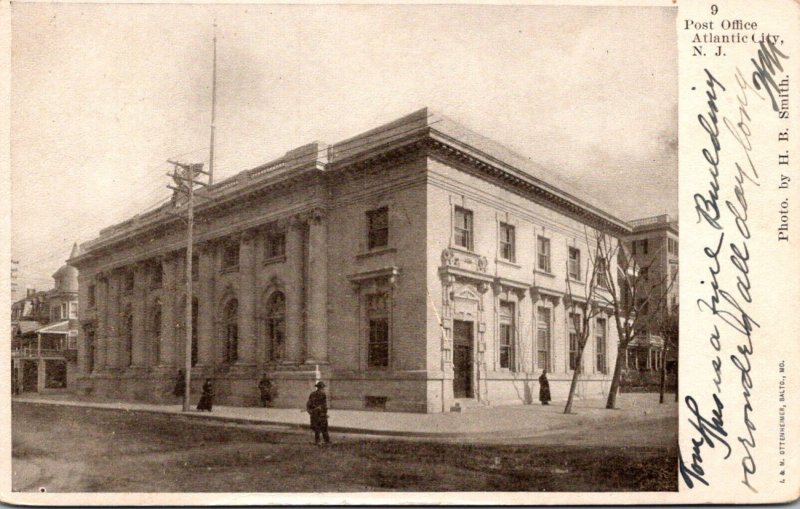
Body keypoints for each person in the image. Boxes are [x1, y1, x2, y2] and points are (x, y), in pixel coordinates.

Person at [306, 381, 330, 445]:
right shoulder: (323, 394)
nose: (324, 389)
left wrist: (311, 412)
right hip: (320, 414)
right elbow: (324, 406)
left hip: (315, 414)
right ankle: (326, 441)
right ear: (321, 388)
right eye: (323, 388)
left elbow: (308, 405)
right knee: (324, 428)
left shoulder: (312, 394)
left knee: (317, 428)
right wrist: (324, 412)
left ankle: (318, 441)